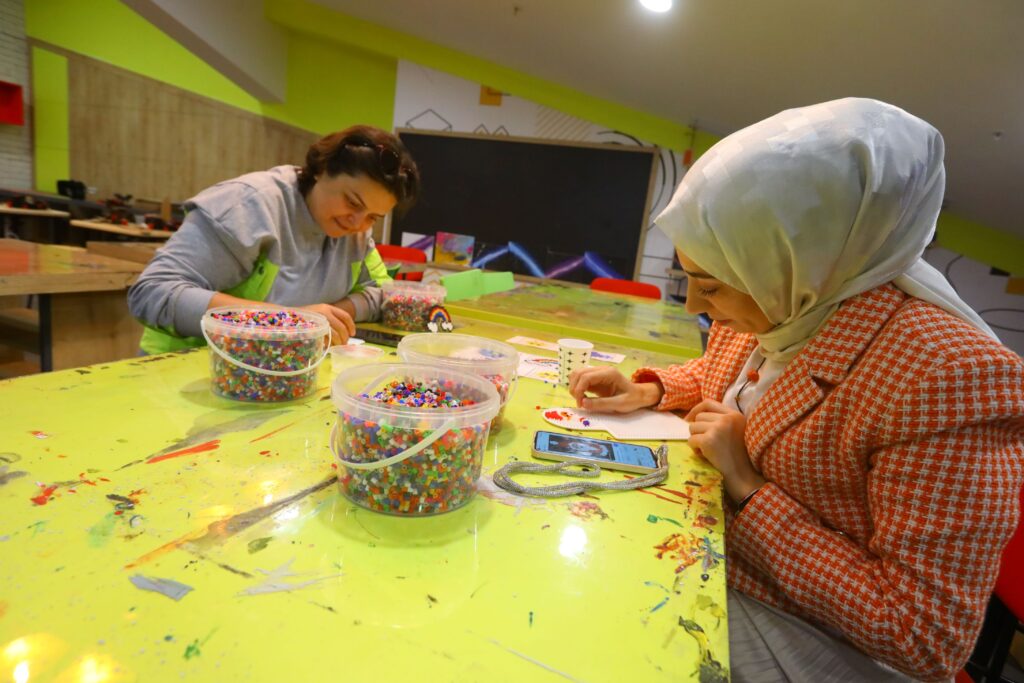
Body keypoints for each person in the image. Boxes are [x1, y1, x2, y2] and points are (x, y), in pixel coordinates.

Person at [569, 98, 1024, 682]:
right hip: (717, 556)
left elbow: (922, 636)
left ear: (800, 261)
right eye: (690, 279)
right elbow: (729, 382)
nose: (693, 306)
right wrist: (650, 391)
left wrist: (748, 485)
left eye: (712, 285)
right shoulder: (788, 299)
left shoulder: (947, 375)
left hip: (817, 635)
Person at [128, 125, 419, 353]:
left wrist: (326, 320)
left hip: (273, 376)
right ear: (321, 170)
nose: (358, 224)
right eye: (352, 202)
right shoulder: (247, 207)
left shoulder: (356, 233)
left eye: (373, 217)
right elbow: (152, 293)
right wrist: (288, 321)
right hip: (185, 370)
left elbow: (382, 295)